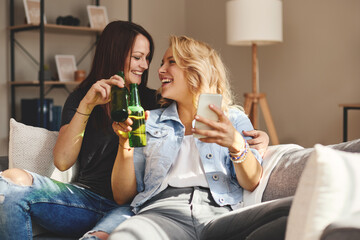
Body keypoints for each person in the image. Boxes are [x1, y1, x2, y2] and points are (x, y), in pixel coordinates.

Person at [0, 21, 268, 240]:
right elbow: (62, 160)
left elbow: (204, 109)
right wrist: (88, 105)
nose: (149, 66)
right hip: (98, 200)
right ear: (116, 56)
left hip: (136, 204)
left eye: (148, 58)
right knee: (7, 184)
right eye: (138, 57)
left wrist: (252, 140)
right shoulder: (89, 99)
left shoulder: (155, 101)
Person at [108, 35, 264, 240]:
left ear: (197, 69)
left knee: (284, 213)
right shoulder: (150, 120)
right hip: (162, 213)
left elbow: (252, 182)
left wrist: (236, 144)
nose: (160, 70)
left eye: (171, 62)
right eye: (162, 63)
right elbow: (122, 196)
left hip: (221, 213)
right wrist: (124, 144)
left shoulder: (234, 119)